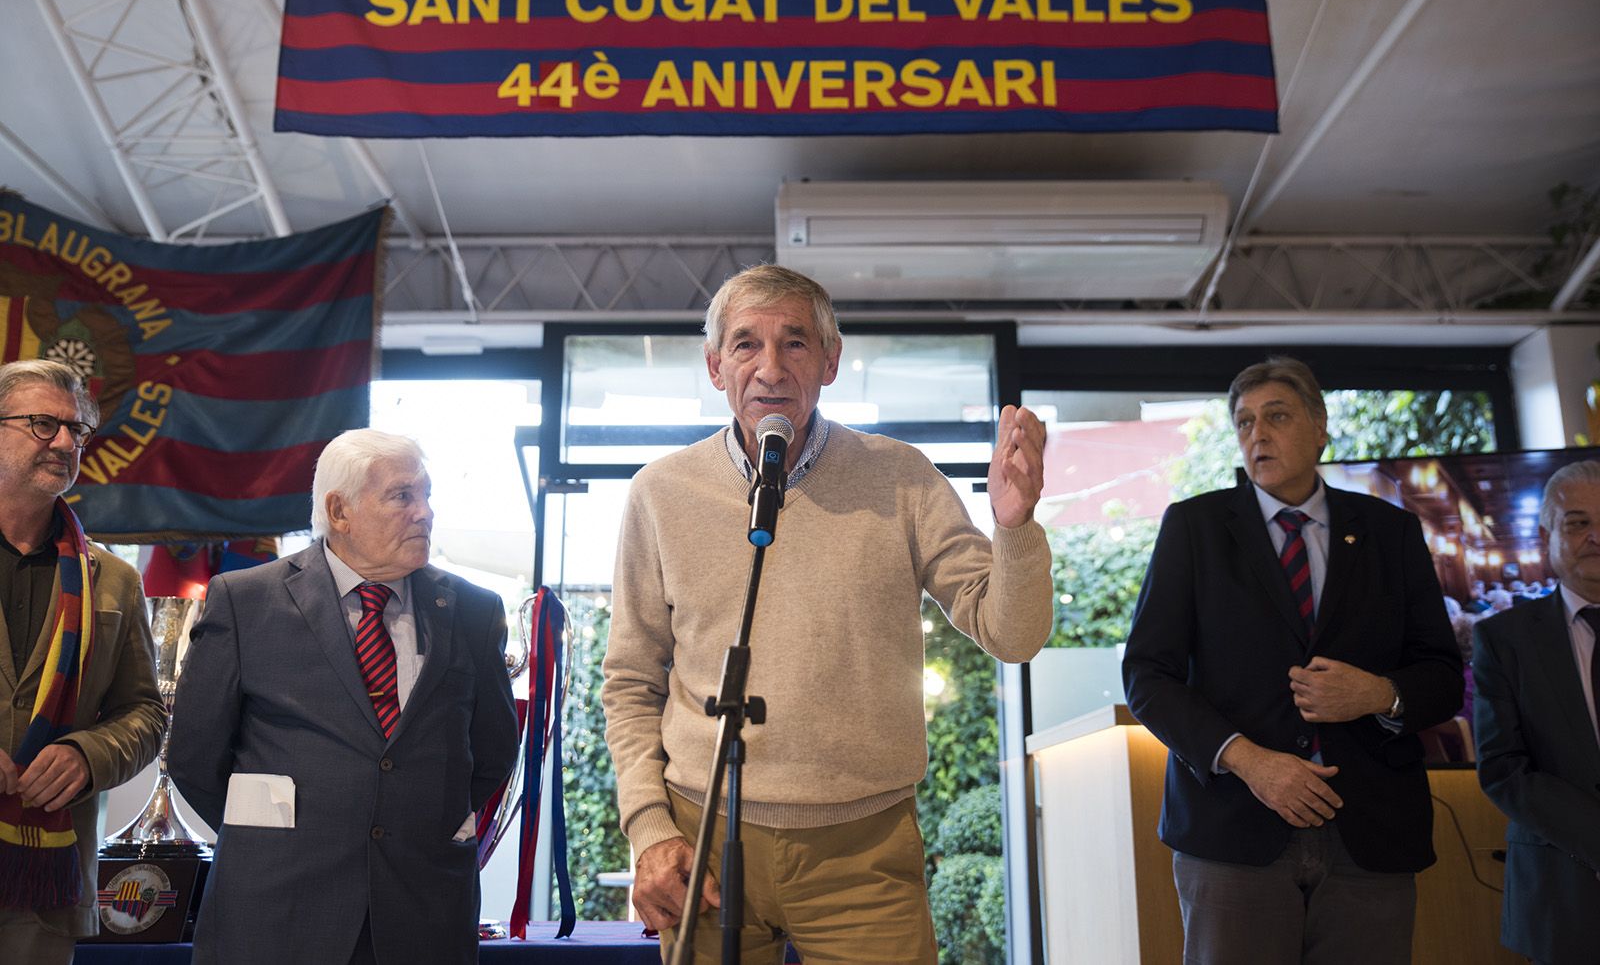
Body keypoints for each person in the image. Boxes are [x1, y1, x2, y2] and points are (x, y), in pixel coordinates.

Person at [601, 265, 1053, 963]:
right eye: (746, 345)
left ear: (831, 361)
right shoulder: (661, 493)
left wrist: (1015, 527)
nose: (771, 368)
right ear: (715, 366)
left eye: (796, 343)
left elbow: (1012, 634)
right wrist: (649, 828)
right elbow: (631, 681)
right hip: (705, 838)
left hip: (863, 848)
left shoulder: (902, 478)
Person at [1121, 356, 1462, 964]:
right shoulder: (1194, 528)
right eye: (1245, 422)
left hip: (1371, 833)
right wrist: (1249, 762)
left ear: (1321, 424)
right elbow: (1148, 676)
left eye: (1276, 416)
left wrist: (1380, 694)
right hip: (1233, 832)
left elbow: (1442, 674)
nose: (1258, 434)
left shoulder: (1391, 531)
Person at [168, 429, 518, 965]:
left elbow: (492, 753)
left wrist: (413, 821)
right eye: (402, 496)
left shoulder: (472, 611)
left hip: (424, 915)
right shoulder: (246, 601)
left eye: (426, 495)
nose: (424, 513)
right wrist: (283, 837)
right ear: (339, 510)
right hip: (275, 914)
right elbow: (195, 758)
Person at [0, 359, 165, 963]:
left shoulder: (115, 580)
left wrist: (87, 755)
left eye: (79, 430)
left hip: (45, 882)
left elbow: (145, 713)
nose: (67, 442)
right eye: (45, 424)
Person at [1473, 459, 1600, 964]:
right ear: (1546, 533)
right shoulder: (1504, 640)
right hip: (1562, 895)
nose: (1595, 536)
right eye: (1578, 522)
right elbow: (1503, 769)